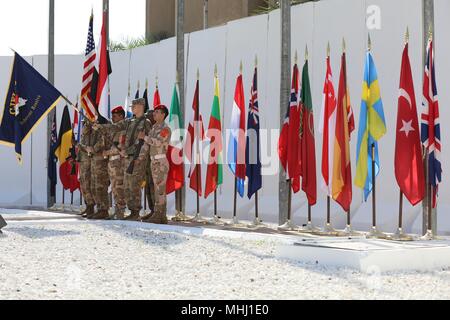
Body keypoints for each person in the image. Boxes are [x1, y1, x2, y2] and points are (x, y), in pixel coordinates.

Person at [94, 98, 152, 221]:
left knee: (134, 185)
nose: (132, 108)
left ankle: (135, 211)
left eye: (134, 106)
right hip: (127, 158)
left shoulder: (145, 122)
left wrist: (131, 153)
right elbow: (115, 127)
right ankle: (131, 211)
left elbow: (143, 142)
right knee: (127, 185)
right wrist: (100, 127)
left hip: (137, 158)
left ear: (141, 106)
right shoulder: (129, 121)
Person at [139, 104, 171, 224]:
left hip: (160, 162)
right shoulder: (153, 128)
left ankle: (160, 215)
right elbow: (147, 146)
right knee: (155, 189)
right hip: (154, 162)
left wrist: (145, 137)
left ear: (163, 115)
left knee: (160, 190)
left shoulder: (165, 129)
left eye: (157, 112)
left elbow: (158, 142)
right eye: (155, 112)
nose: (154, 114)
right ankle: (159, 215)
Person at [103, 106, 126, 219]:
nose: (113, 118)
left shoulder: (123, 130)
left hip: (118, 162)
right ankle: (116, 209)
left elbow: (121, 147)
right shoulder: (113, 131)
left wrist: (107, 152)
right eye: (112, 116)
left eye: (115, 116)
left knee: (119, 187)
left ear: (121, 116)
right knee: (114, 188)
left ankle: (120, 211)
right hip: (111, 163)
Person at [88, 116, 110, 220]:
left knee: (101, 187)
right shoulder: (95, 130)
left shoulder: (104, 129)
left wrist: (92, 149)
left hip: (101, 162)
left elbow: (103, 142)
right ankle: (99, 208)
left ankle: (104, 210)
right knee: (94, 187)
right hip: (94, 161)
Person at [77, 119, 96, 218]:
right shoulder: (84, 135)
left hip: (88, 162)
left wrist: (78, 145)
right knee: (83, 184)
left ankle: (91, 206)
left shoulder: (90, 135)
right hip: (82, 161)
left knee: (87, 184)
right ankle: (88, 205)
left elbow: (89, 148)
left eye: (85, 125)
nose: (83, 127)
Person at [143, 109, 156, 218]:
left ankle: (156, 211)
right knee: (147, 186)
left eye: (149, 116)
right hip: (146, 162)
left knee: (154, 187)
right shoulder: (148, 130)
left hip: (155, 162)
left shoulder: (157, 130)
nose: (147, 118)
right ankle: (152, 210)